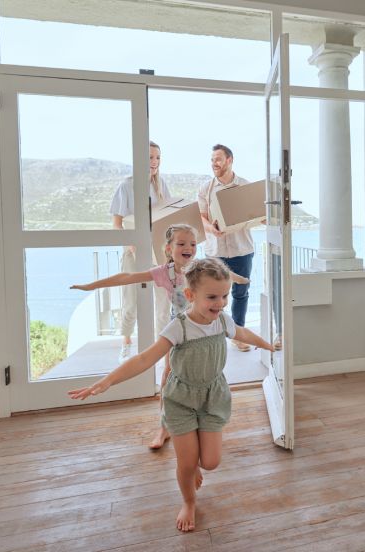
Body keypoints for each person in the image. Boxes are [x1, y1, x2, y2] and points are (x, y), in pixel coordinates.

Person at [68, 258, 273, 532]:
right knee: (186, 464)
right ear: (190, 295)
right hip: (181, 401)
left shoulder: (222, 320)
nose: (221, 303)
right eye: (212, 297)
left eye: (224, 296)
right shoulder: (179, 327)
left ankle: (194, 464)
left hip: (212, 397)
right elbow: (144, 359)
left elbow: (243, 333)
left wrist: (266, 345)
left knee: (210, 462)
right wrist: (107, 382)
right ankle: (189, 501)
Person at [70, 224, 248, 450]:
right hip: (180, 330)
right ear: (168, 248)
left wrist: (241, 279)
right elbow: (127, 276)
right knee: (168, 373)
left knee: (205, 373)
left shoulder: (202, 268)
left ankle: (204, 421)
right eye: (181, 243)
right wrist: (91, 286)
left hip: (204, 330)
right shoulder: (164, 272)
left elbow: (224, 274)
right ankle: (165, 426)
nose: (188, 248)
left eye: (193, 244)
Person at [110, 141, 171, 361]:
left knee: (163, 303)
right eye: (150, 157)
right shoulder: (126, 186)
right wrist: (131, 245)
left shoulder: (161, 185)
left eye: (158, 157)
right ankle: (126, 343)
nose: (155, 162)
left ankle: (162, 349)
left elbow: (167, 217)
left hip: (158, 252)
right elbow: (117, 224)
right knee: (131, 303)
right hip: (133, 253)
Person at [197, 144, 255, 352]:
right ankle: (212, 336)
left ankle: (238, 335)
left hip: (242, 249)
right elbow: (201, 217)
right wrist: (211, 230)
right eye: (212, 159)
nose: (214, 163)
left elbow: (253, 214)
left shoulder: (245, 186)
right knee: (213, 295)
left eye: (218, 159)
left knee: (241, 292)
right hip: (215, 251)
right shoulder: (206, 189)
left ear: (230, 160)